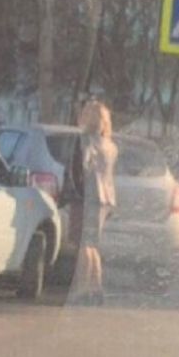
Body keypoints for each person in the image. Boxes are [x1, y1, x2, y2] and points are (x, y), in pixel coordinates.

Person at [68, 99, 117, 306]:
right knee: (93, 244)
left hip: (88, 196)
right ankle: (96, 287)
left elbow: (82, 169)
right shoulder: (111, 146)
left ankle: (81, 288)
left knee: (84, 245)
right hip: (106, 198)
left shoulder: (85, 142)